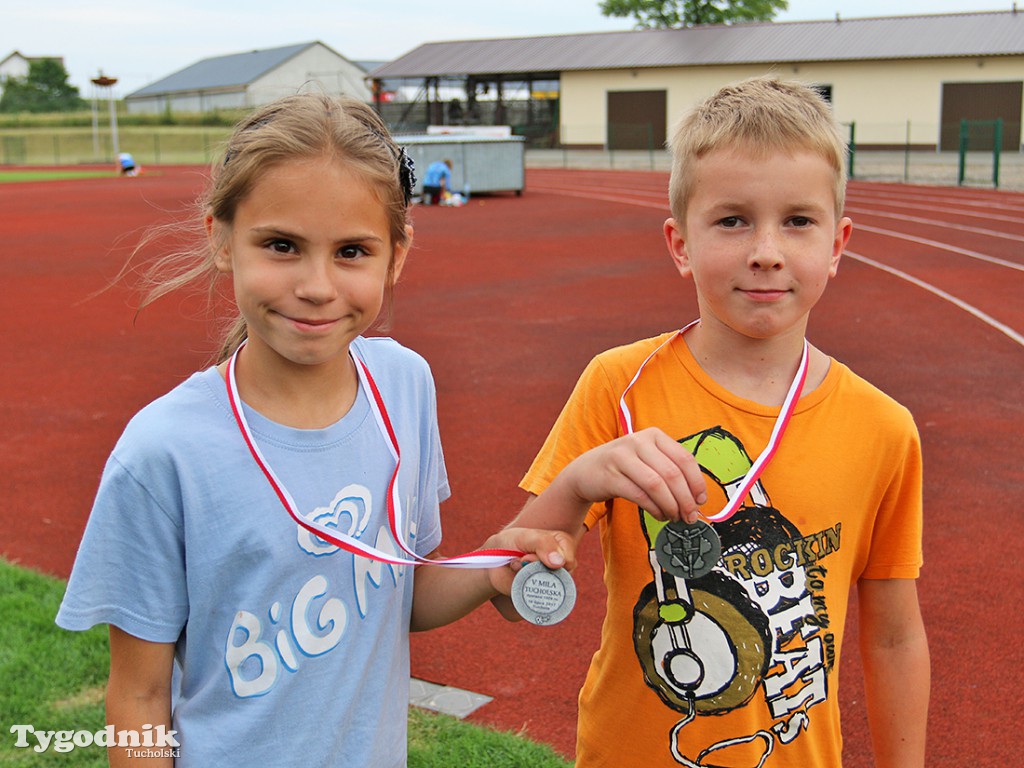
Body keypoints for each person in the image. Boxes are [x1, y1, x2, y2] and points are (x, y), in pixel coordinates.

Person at [55, 93, 704, 767]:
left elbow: (402, 596)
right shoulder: (165, 453)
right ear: (221, 239)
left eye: (351, 252)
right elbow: (137, 697)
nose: (315, 284)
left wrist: (489, 568)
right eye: (282, 245)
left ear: (396, 255)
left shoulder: (403, 385)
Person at [509, 76, 930, 767]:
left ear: (837, 243)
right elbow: (528, 555)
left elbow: (893, 637)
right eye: (732, 220)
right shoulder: (619, 386)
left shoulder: (884, 427)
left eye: (798, 221)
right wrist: (581, 481)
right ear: (679, 243)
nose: (766, 250)